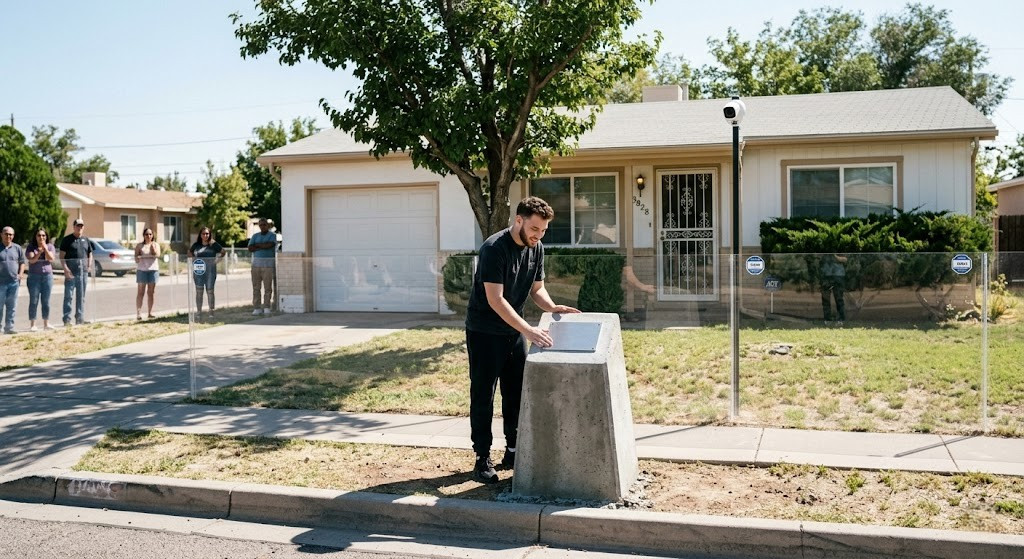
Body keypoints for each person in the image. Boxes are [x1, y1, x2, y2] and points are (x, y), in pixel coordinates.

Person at [465, 196, 580, 484]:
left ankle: (513, 451)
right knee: (483, 395)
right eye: (534, 229)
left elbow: (537, 289)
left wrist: (552, 307)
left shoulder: (536, 248)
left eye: (543, 231)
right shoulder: (494, 249)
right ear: (519, 220)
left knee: (516, 394)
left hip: (513, 331)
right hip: (484, 331)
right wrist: (528, 330)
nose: (538, 236)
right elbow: (495, 299)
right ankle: (482, 458)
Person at [59, 218, 93, 326]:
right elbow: (62, 256)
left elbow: (89, 254)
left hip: (83, 273)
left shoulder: (86, 240)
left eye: (81, 226)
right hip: (71, 273)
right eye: (78, 226)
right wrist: (66, 269)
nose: (80, 228)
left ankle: (80, 318)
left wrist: (89, 265)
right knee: (68, 296)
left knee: (81, 296)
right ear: (74, 227)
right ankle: (67, 319)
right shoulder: (67, 240)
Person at [188, 226, 224, 318]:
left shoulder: (213, 244)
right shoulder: (196, 245)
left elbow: (223, 252)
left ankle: (211, 311)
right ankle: (199, 312)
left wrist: (216, 261)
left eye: (207, 233)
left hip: (210, 271)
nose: (205, 235)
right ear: (200, 235)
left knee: (210, 291)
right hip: (199, 271)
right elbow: (189, 252)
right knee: (199, 291)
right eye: (203, 233)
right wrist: (193, 259)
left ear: (210, 234)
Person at [25, 228, 56, 331]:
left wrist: (45, 249)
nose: (41, 237)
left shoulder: (50, 246)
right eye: (39, 235)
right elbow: (32, 260)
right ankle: (33, 324)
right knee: (34, 301)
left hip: (47, 277)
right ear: (35, 237)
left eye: (43, 235)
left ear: (46, 237)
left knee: (46, 301)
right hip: (34, 277)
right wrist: (39, 252)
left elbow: (51, 258)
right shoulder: (31, 247)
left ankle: (46, 323)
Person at [248, 218, 277, 315]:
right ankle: (257, 307)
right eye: (260, 225)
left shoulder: (272, 235)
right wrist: (261, 245)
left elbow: (269, 245)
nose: (262, 226)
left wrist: (257, 246)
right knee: (256, 287)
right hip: (256, 265)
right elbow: (250, 248)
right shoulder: (255, 236)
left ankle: (267, 306)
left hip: (268, 265)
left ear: (267, 225)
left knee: (267, 287)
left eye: (264, 224)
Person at [1, 226, 27, 334]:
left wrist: (20, 274)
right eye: (6, 234)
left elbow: (22, 262)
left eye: (11, 234)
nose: (8, 236)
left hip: (13, 283)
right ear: (1, 234)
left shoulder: (17, 248)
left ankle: (9, 327)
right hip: (0, 283)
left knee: (12, 306)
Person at [134, 227, 161, 319]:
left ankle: (150, 312)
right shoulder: (139, 246)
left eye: (150, 234)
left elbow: (157, 255)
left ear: (153, 235)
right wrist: (138, 257)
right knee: (140, 292)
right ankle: (138, 313)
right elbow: (136, 258)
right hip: (142, 270)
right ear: (144, 235)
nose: (148, 236)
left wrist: (153, 249)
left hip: (153, 270)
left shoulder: (156, 244)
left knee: (151, 292)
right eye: (146, 234)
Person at [820, 253, 848, 325]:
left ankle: (840, 320)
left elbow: (845, 259)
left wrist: (834, 256)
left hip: (838, 275)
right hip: (825, 274)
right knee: (825, 299)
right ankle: (827, 320)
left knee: (839, 299)